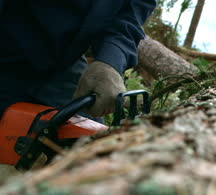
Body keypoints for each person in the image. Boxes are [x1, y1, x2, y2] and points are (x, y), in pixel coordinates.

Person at [0, 0, 157, 118]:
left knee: (90, 145)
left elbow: (131, 12)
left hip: (63, 64)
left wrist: (110, 62)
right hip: (8, 48)